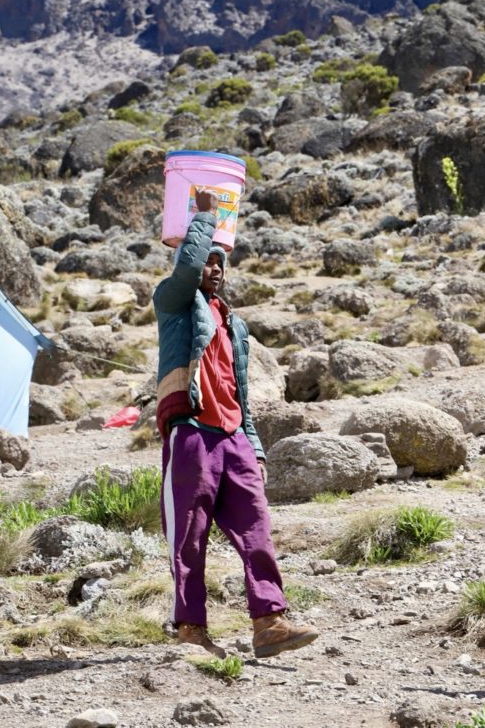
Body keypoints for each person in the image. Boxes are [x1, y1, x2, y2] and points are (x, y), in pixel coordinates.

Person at [153, 187, 318, 659]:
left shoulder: (235, 325)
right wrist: (203, 218)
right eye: (208, 262)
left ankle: (269, 623)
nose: (214, 271)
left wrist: (255, 447)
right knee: (189, 537)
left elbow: (239, 393)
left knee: (257, 529)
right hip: (192, 434)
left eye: (221, 265)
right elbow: (185, 270)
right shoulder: (174, 303)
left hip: (232, 437)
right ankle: (190, 630)